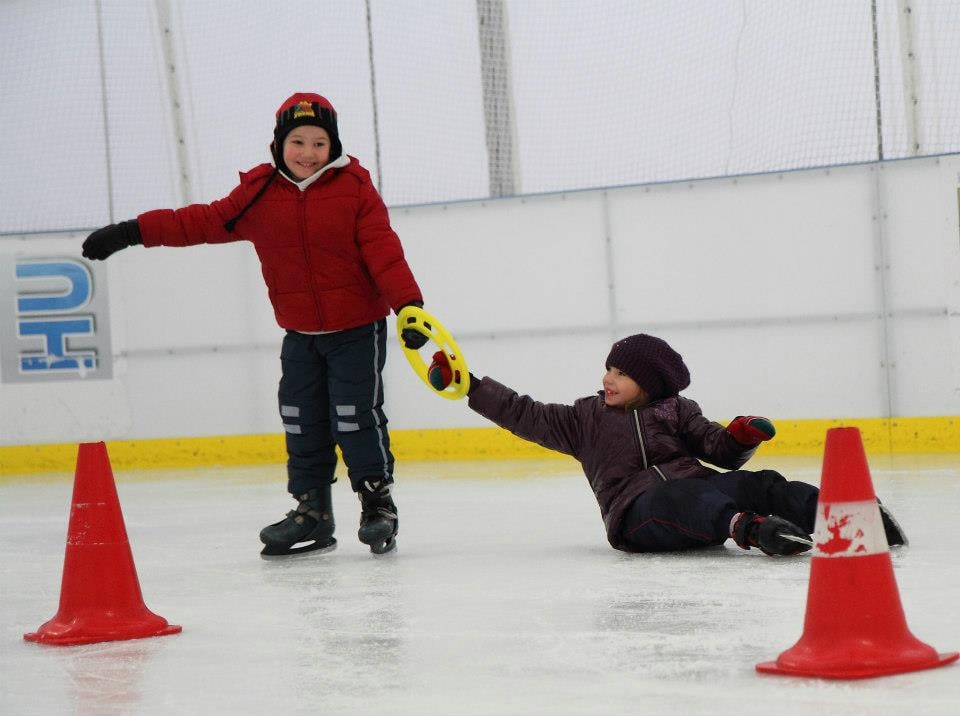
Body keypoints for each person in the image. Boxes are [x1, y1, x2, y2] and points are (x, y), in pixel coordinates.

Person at [82, 92, 430, 557]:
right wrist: (132, 232)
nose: (308, 153)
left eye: (320, 143)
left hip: (356, 330)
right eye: (298, 141)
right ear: (279, 142)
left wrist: (409, 307)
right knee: (301, 418)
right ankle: (313, 512)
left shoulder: (355, 190)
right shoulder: (260, 194)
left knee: (354, 415)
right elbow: (199, 222)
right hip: (300, 334)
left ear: (335, 146)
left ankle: (377, 504)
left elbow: (384, 251)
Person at [427, 333, 907, 555]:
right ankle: (752, 531)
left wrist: (740, 436)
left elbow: (717, 449)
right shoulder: (583, 418)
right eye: (609, 369)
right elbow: (521, 412)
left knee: (757, 482)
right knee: (685, 495)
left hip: (699, 491)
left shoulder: (677, 410)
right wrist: (468, 383)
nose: (608, 379)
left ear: (652, 385)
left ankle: (842, 512)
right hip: (637, 514)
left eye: (622, 373)